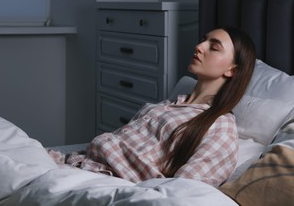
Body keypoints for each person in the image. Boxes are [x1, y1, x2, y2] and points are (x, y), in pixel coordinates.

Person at [49, 26, 256, 187]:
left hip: (105, 181)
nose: (199, 46)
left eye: (214, 47)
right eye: (203, 39)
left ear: (232, 70)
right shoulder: (169, 105)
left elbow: (185, 189)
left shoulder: (220, 127)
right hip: (78, 162)